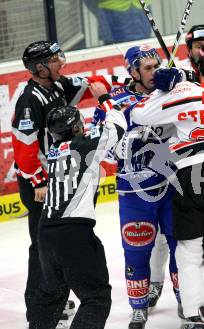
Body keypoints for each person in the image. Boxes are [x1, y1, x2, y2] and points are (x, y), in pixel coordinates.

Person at [110, 41, 204, 329]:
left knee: (189, 251)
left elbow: (140, 115)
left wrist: (169, 87)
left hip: (190, 176)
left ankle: (192, 316)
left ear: (198, 68)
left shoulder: (186, 94)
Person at [12, 40, 123, 327]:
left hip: (63, 172)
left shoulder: (58, 84)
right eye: (54, 59)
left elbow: (91, 83)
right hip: (43, 182)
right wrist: (38, 181)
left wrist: (129, 82)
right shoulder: (29, 100)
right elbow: (23, 148)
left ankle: (55, 296)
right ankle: (39, 305)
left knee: (58, 241)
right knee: (43, 246)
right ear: (39, 68)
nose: (61, 62)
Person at [92, 44, 182, 329]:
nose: (154, 73)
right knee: (136, 248)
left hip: (172, 184)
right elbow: (103, 149)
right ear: (132, 72)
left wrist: (179, 81)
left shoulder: (173, 90)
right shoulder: (116, 102)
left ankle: (187, 302)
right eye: (147, 69)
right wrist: (130, 141)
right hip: (134, 189)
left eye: (157, 67)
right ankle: (139, 307)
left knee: (182, 247)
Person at [28, 103, 127, 329]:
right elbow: (117, 126)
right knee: (96, 297)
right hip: (73, 233)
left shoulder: (54, 151)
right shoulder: (84, 144)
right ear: (74, 129)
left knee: (51, 294)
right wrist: (106, 99)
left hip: (46, 232)